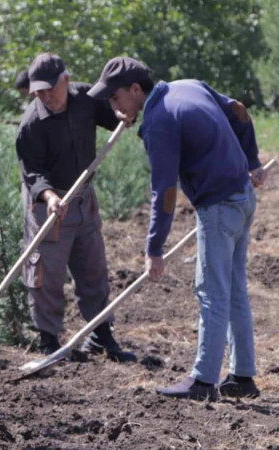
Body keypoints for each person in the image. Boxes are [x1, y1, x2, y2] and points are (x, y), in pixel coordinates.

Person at [88, 56, 267, 400]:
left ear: (136, 89)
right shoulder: (188, 86)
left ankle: (202, 382)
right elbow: (241, 112)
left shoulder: (159, 123)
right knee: (234, 290)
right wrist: (252, 161)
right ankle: (243, 377)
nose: (113, 106)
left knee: (212, 293)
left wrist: (154, 248)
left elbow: (165, 192)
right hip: (243, 199)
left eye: (115, 98)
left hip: (218, 208)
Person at [15, 53, 135, 362]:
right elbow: (33, 173)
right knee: (46, 273)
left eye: (49, 89)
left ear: (65, 80)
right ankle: (49, 340)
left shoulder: (84, 98)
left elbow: (112, 117)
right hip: (48, 206)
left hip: (84, 198)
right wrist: (50, 196)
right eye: (38, 92)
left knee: (93, 266)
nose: (45, 97)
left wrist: (123, 116)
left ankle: (100, 335)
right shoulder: (31, 124)